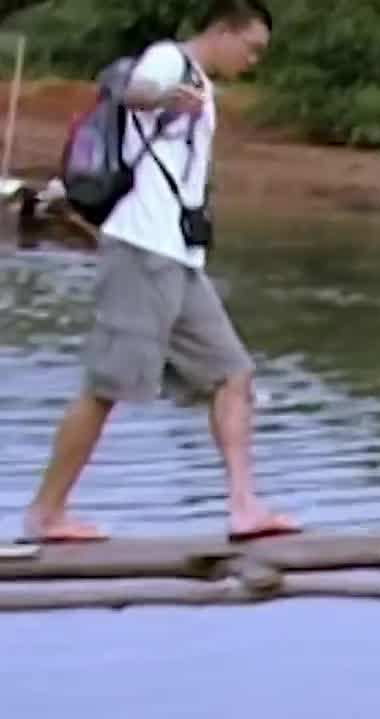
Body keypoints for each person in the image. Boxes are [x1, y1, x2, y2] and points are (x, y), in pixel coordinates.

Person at [18, 0, 295, 545]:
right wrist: (168, 98)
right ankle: (45, 514)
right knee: (107, 387)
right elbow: (136, 90)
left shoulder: (201, 83)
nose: (252, 61)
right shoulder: (169, 60)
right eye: (252, 48)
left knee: (233, 374)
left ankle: (245, 508)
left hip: (179, 259)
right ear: (225, 30)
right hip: (141, 252)